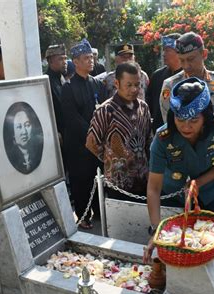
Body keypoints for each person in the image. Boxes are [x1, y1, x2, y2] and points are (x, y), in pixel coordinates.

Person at [143, 77, 214, 263]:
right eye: (179, 119)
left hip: (212, 194)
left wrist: (198, 182)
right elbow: (153, 189)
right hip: (176, 198)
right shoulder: (162, 138)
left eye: (194, 120)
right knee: (178, 249)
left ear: (205, 116)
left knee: (210, 248)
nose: (186, 126)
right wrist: (156, 231)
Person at [86, 62, 152, 199]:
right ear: (117, 83)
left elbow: (148, 140)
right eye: (129, 85)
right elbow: (91, 143)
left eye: (137, 85)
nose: (134, 89)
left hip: (144, 181)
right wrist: (111, 158)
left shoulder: (144, 108)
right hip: (118, 185)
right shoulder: (106, 110)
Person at [61, 39, 107, 229]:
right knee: (81, 180)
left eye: (91, 57)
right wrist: (92, 133)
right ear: (76, 62)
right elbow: (72, 117)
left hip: (98, 144)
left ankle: (99, 211)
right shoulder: (68, 87)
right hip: (79, 144)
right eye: (86, 58)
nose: (91, 61)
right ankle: (83, 215)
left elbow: (104, 109)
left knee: (98, 179)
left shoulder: (97, 83)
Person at [160, 32, 214, 129]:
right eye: (182, 60)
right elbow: (170, 126)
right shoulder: (170, 85)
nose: (186, 66)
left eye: (191, 59)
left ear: (204, 54)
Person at [146, 33, 182, 133]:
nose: (163, 54)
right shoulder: (157, 76)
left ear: (178, 52)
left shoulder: (188, 76)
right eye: (163, 50)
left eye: (167, 50)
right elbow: (149, 105)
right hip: (160, 134)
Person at [3, 102, 43, 174]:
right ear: (12, 132)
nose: (24, 132)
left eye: (27, 125)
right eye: (19, 127)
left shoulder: (37, 153)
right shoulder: (12, 158)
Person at [45, 44, 67, 136]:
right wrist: (54, 132)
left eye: (65, 58)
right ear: (50, 62)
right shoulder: (46, 81)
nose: (65, 62)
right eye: (60, 59)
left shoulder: (62, 78)